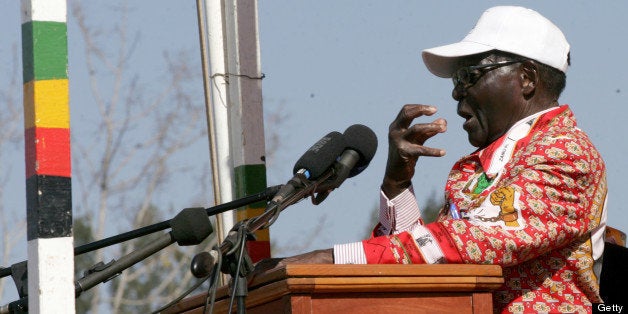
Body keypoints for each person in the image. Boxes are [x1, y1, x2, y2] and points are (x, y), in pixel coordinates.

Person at [257, 6, 608, 313]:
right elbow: (422, 262)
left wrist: (331, 259)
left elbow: (473, 243)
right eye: (457, 80)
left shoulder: (565, 151)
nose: (456, 91)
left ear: (527, 79)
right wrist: (397, 183)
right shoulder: (484, 164)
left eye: (468, 76)